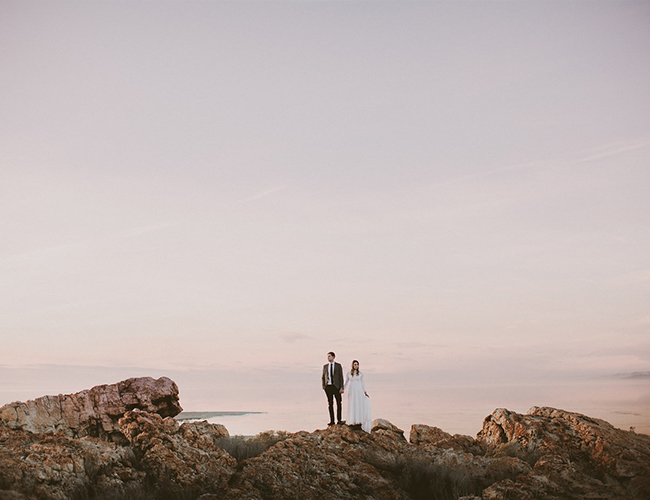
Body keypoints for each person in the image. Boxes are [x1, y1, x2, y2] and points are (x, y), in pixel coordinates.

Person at [343, 360, 372, 432]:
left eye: (357, 364)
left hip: (358, 390)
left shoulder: (361, 374)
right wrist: (342, 388)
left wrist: (365, 392)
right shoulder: (349, 374)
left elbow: (362, 383)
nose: (356, 366)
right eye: (355, 364)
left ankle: (358, 420)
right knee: (352, 404)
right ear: (352, 365)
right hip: (352, 390)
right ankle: (352, 420)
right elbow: (346, 382)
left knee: (358, 404)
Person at [322, 351, 344, 426]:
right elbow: (323, 377)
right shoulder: (325, 366)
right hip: (328, 387)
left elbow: (341, 377)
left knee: (339, 403)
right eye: (327, 356)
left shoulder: (338, 366)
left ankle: (339, 420)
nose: (328, 358)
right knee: (330, 404)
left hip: (336, 387)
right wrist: (324, 386)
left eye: (329, 356)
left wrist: (341, 387)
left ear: (333, 357)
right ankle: (332, 421)